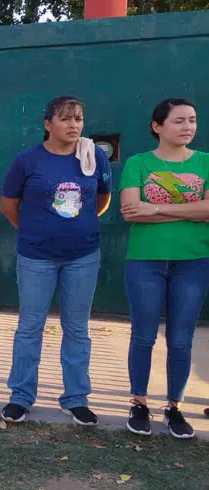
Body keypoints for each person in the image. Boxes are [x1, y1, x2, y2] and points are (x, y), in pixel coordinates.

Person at [0, 96, 112, 427]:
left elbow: (101, 200)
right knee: (30, 327)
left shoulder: (94, 157)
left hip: (83, 257)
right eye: (64, 119)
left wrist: (75, 228)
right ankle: (20, 397)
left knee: (77, 329)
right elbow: (9, 206)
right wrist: (34, 231)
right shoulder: (27, 160)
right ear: (48, 124)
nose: (73, 125)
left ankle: (76, 399)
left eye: (78, 118)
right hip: (36, 257)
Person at [119, 98, 209, 439]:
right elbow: (130, 209)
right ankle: (139, 403)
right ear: (158, 126)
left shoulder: (206, 163)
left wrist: (155, 210)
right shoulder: (138, 163)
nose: (188, 127)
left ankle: (174, 407)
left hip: (194, 261)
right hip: (146, 260)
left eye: (192, 120)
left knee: (181, 339)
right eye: (179, 121)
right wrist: (191, 209)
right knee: (143, 335)